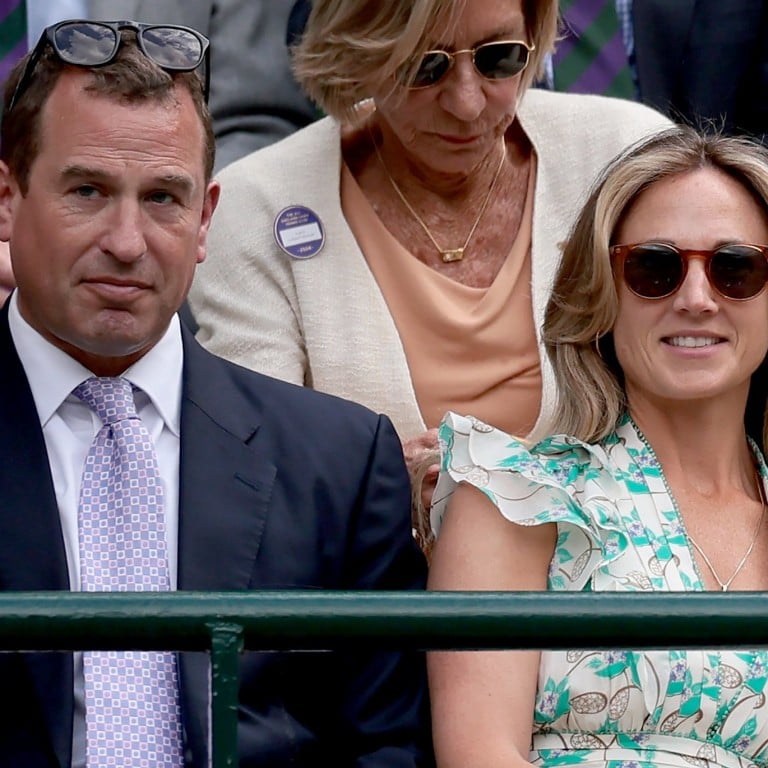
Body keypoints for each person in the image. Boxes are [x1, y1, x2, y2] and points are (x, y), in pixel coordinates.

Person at [0, 19, 430, 767]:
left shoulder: (340, 462)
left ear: (205, 219)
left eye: (163, 198)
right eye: (87, 191)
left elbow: (386, 745)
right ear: (7, 199)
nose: (127, 241)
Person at [187, 0, 672, 536]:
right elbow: (257, 476)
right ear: (360, 51)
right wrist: (383, 488)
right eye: (425, 67)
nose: (466, 103)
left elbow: (703, 412)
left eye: (498, 57)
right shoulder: (256, 207)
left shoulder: (623, 155)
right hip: (374, 577)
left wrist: (503, 482)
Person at [427, 125, 768, 768]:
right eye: (654, 269)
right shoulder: (517, 495)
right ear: (602, 291)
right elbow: (479, 755)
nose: (697, 299)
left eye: (737, 269)